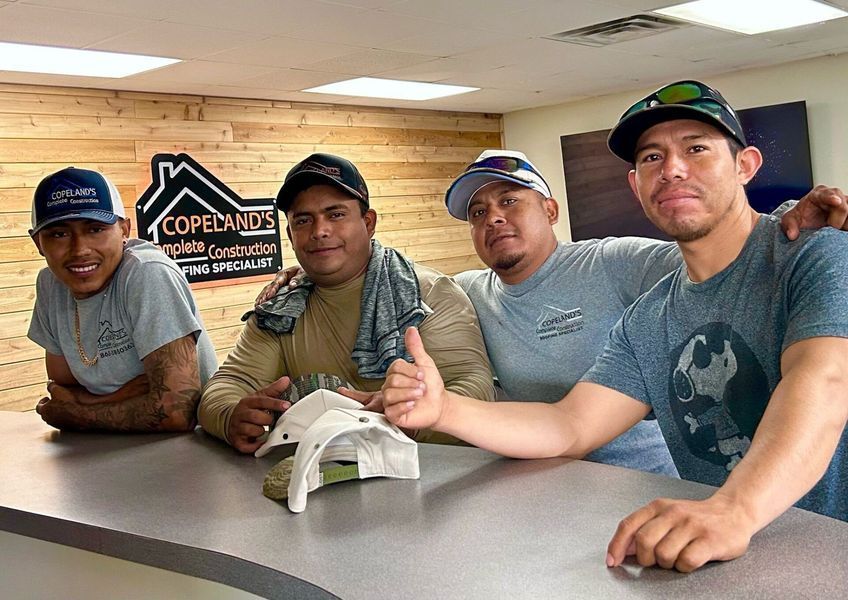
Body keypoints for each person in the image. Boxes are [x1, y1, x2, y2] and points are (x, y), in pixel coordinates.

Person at [381, 80, 848, 572]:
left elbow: (824, 380)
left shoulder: (815, 253)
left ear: (745, 166)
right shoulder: (647, 319)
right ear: (635, 185)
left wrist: (735, 508)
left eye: (695, 148)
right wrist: (442, 408)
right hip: (731, 559)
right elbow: (569, 425)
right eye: (651, 158)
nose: (672, 169)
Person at [258, 150, 845, 477]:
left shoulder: (615, 265)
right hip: (536, 477)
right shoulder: (465, 293)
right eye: (478, 212)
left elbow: (720, 256)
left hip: (647, 479)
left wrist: (792, 223)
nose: (493, 219)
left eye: (509, 201)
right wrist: (305, 273)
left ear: (550, 208)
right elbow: (389, 279)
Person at [198, 153, 493, 453]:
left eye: (335, 214)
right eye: (303, 220)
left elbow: (476, 388)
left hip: (432, 478)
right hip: (320, 483)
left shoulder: (429, 294)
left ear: (368, 222)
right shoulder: (280, 311)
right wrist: (231, 418)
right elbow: (225, 387)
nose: (319, 231)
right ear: (290, 234)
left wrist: (413, 418)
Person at [27, 167, 217, 432]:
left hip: (189, 449)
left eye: (95, 229)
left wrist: (77, 413)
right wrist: (119, 397)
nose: (80, 249)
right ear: (38, 242)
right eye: (59, 234)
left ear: (124, 230)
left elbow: (176, 411)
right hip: (108, 450)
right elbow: (61, 388)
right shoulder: (50, 284)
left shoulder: (147, 272)